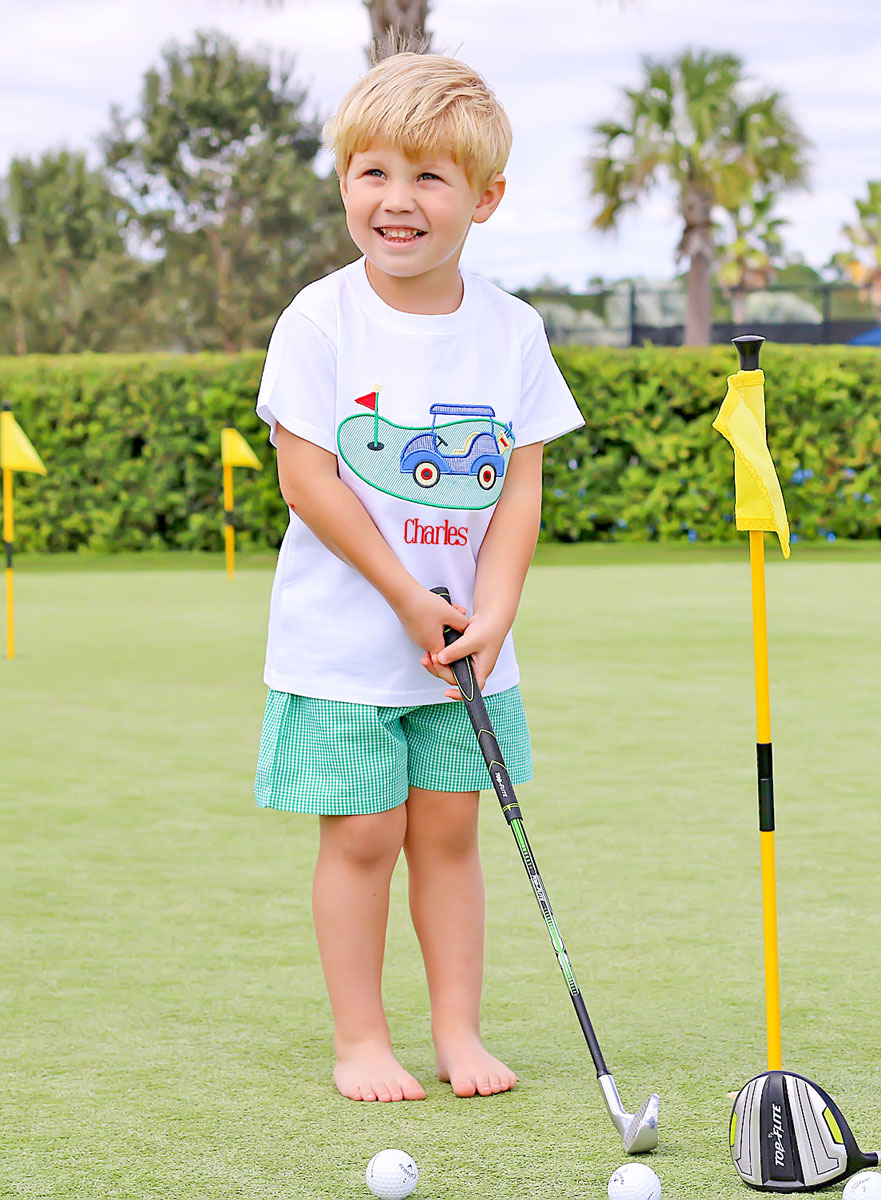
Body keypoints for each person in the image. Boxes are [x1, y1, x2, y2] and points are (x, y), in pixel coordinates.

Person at [253, 51, 583, 1105]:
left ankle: (457, 1032)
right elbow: (307, 480)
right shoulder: (320, 320)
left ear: (484, 198)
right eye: (373, 172)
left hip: (468, 648)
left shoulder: (513, 329)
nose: (398, 201)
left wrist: (494, 613)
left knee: (448, 834)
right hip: (345, 645)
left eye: (431, 178)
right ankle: (361, 1041)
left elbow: (519, 489)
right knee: (363, 837)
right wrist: (406, 598)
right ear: (344, 181)